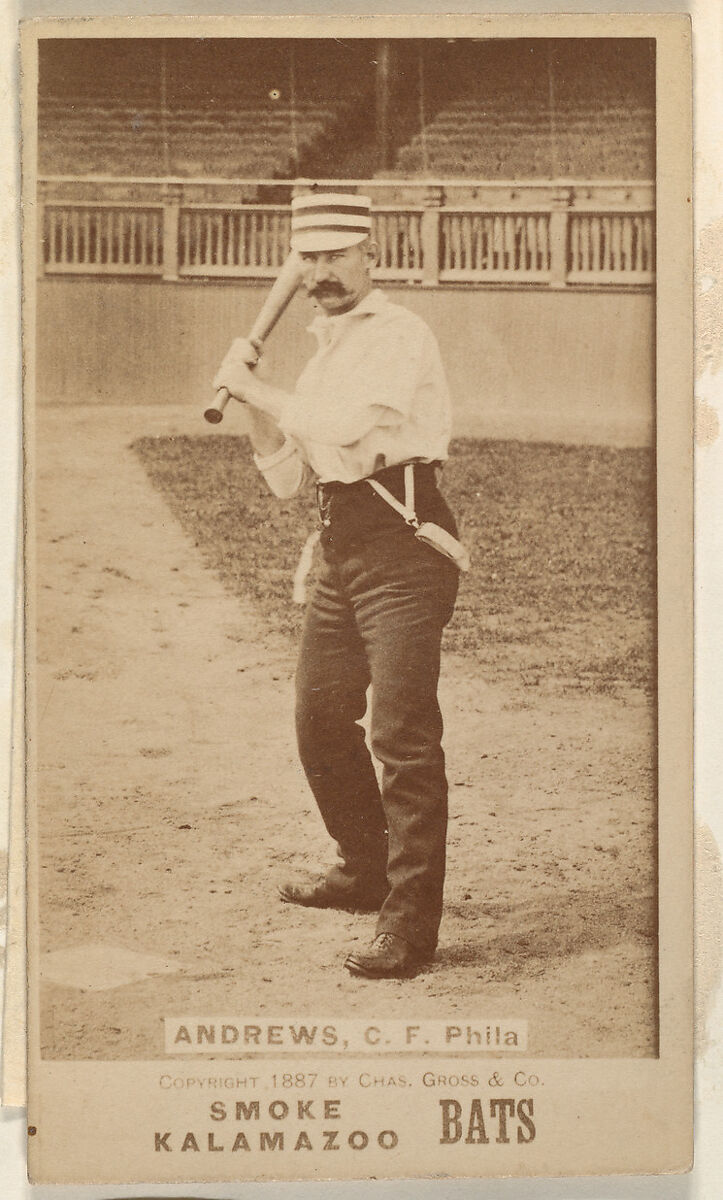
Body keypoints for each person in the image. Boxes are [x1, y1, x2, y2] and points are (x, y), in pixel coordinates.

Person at [213, 192, 465, 979]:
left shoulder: (399, 334)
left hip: (405, 547)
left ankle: (409, 925)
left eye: (335, 256)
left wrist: (257, 392)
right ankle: (362, 868)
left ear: (370, 256)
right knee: (318, 720)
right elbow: (288, 478)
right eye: (308, 258)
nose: (319, 272)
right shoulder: (322, 350)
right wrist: (251, 392)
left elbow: (349, 429)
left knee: (400, 737)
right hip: (337, 549)